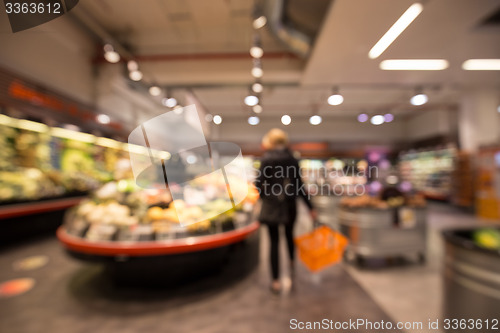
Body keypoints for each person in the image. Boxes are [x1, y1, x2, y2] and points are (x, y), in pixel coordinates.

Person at [255, 128, 316, 294]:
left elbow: (259, 184)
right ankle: (291, 263)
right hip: (290, 205)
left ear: (270, 142)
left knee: (273, 242)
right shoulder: (292, 159)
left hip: (271, 206)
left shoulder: (266, 159)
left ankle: (275, 281)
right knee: (289, 235)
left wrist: (265, 197)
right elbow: (300, 186)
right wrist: (310, 207)